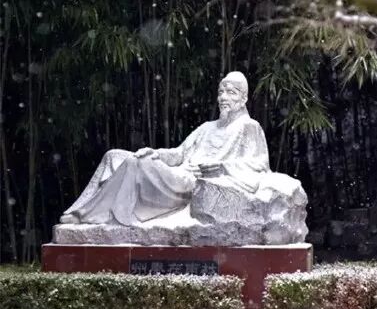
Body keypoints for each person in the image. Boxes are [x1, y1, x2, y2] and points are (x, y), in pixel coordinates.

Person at [60, 71, 270, 226]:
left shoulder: (248, 127)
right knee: (113, 156)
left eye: (231, 93)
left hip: (190, 182)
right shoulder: (207, 127)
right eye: (221, 92)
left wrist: (221, 167)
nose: (223, 97)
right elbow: (179, 153)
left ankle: (94, 215)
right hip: (177, 171)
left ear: (243, 98)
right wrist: (156, 153)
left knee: (135, 162)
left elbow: (260, 164)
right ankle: (84, 210)